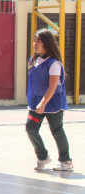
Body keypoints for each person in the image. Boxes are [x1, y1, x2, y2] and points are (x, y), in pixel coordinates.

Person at [27, 29, 72, 171]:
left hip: (52, 103)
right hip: (36, 103)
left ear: (47, 43)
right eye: (34, 40)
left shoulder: (54, 63)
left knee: (57, 130)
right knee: (30, 128)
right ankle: (43, 157)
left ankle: (66, 161)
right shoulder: (33, 60)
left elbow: (53, 86)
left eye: (38, 41)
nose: (35, 44)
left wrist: (43, 103)